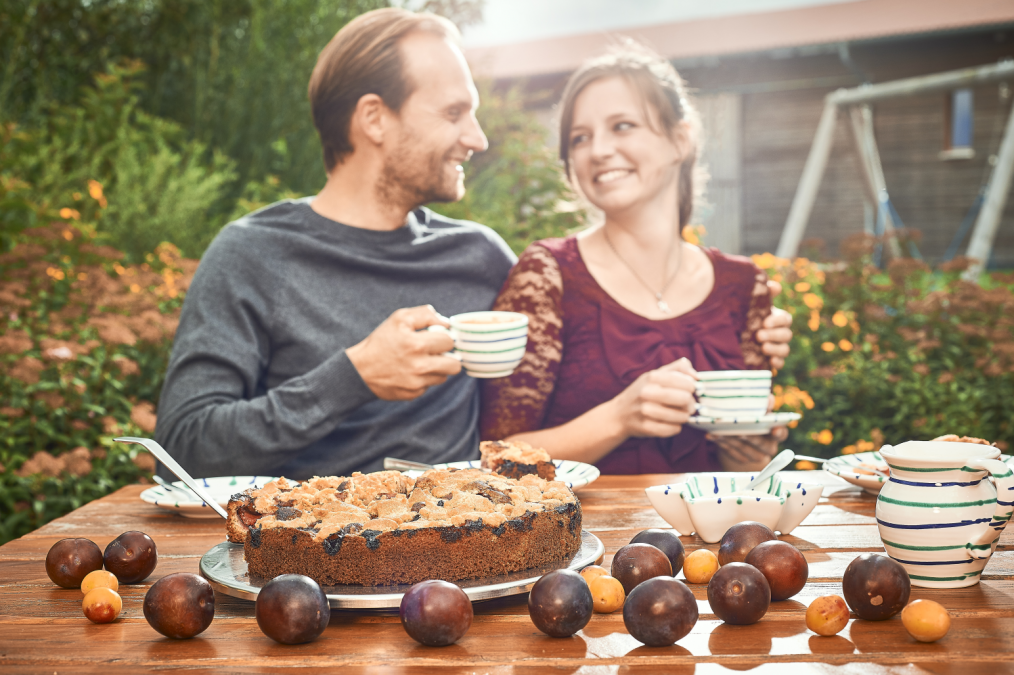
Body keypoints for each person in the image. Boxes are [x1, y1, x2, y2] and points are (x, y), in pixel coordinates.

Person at [153, 8, 516, 479]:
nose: (478, 139)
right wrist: (353, 376)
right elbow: (180, 454)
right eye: (453, 112)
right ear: (374, 119)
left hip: (467, 542)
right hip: (309, 544)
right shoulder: (253, 255)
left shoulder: (479, 256)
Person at [479, 44, 793, 475]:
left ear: (679, 140)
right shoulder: (547, 274)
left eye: (622, 126)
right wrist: (619, 418)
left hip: (710, 540)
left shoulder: (744, 285)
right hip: (587, 540)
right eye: (580, 137)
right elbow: (497, 458)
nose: (598, 150)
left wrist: (749, 454)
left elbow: (747, 466)